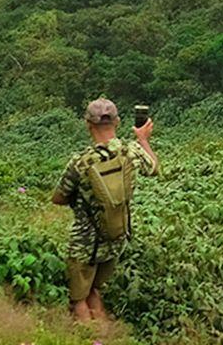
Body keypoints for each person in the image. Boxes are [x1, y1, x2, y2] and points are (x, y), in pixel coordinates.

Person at [49, 97, 157, 324]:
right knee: (95, 290)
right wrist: (143, 139)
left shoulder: (81, 162)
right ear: (117, 122)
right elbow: (154, 167)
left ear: (88, 124)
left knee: (78, 299)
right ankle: (107, 336)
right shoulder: (131, 152)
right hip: (116, 237)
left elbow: (58, 198)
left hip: (85, 243)